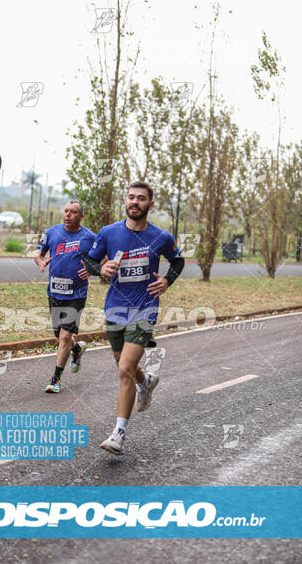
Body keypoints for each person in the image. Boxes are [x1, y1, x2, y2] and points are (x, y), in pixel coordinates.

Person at [83, 181, 184, 455]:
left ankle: (118, 433)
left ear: (150, 204)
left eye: (141, 198)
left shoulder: (161, 237)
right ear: (125, 202)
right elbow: (89, 261)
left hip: (145, 308)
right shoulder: (108, 233)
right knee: (124, 366)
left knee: (124, 368)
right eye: (131, 197)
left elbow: (178, 261)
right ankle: (146, 381)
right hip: (115, 307)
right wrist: (101, 268)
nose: (135, 202)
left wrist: (167, 280)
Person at [34, 201, 96, 393]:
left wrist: (93, 269)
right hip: (55, 291)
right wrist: (40, 261)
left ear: (81, 216)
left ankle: (56, 379)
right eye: (66, 211)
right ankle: (76, 350)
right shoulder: (52, 232)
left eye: (74, 212)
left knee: (65, 335)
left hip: (76, 293)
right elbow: (37, 252)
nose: (68, 215)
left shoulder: (90, 237)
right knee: (59, 335)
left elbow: (103, 259)